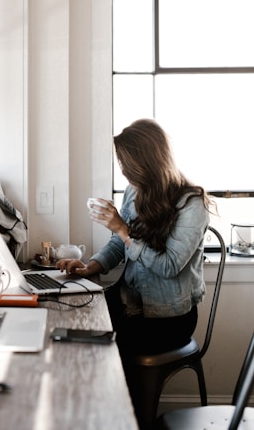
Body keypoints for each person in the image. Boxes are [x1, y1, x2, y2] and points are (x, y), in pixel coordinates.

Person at [56, 118, 213, 424]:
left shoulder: (192, 204)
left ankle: (123, 420)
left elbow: (168, 266)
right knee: (72, 325)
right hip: (131, 303)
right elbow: (119, 243)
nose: (124, 171)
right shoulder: (133, 191)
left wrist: (124, 231)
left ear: (148, 162)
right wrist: (91, 266)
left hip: (169, 318)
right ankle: (83, 415)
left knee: (104, 349)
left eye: (127, 164)